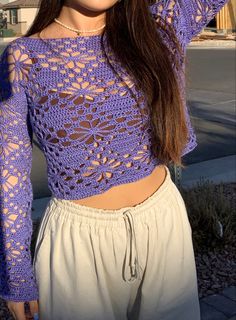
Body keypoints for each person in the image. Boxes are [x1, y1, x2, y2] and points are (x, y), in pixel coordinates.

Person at [0, 0, 229, 319]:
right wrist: (17, 274)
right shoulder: (24, 58)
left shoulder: (157, 29)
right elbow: (9, 175)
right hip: (78, 243)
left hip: (163, 223)